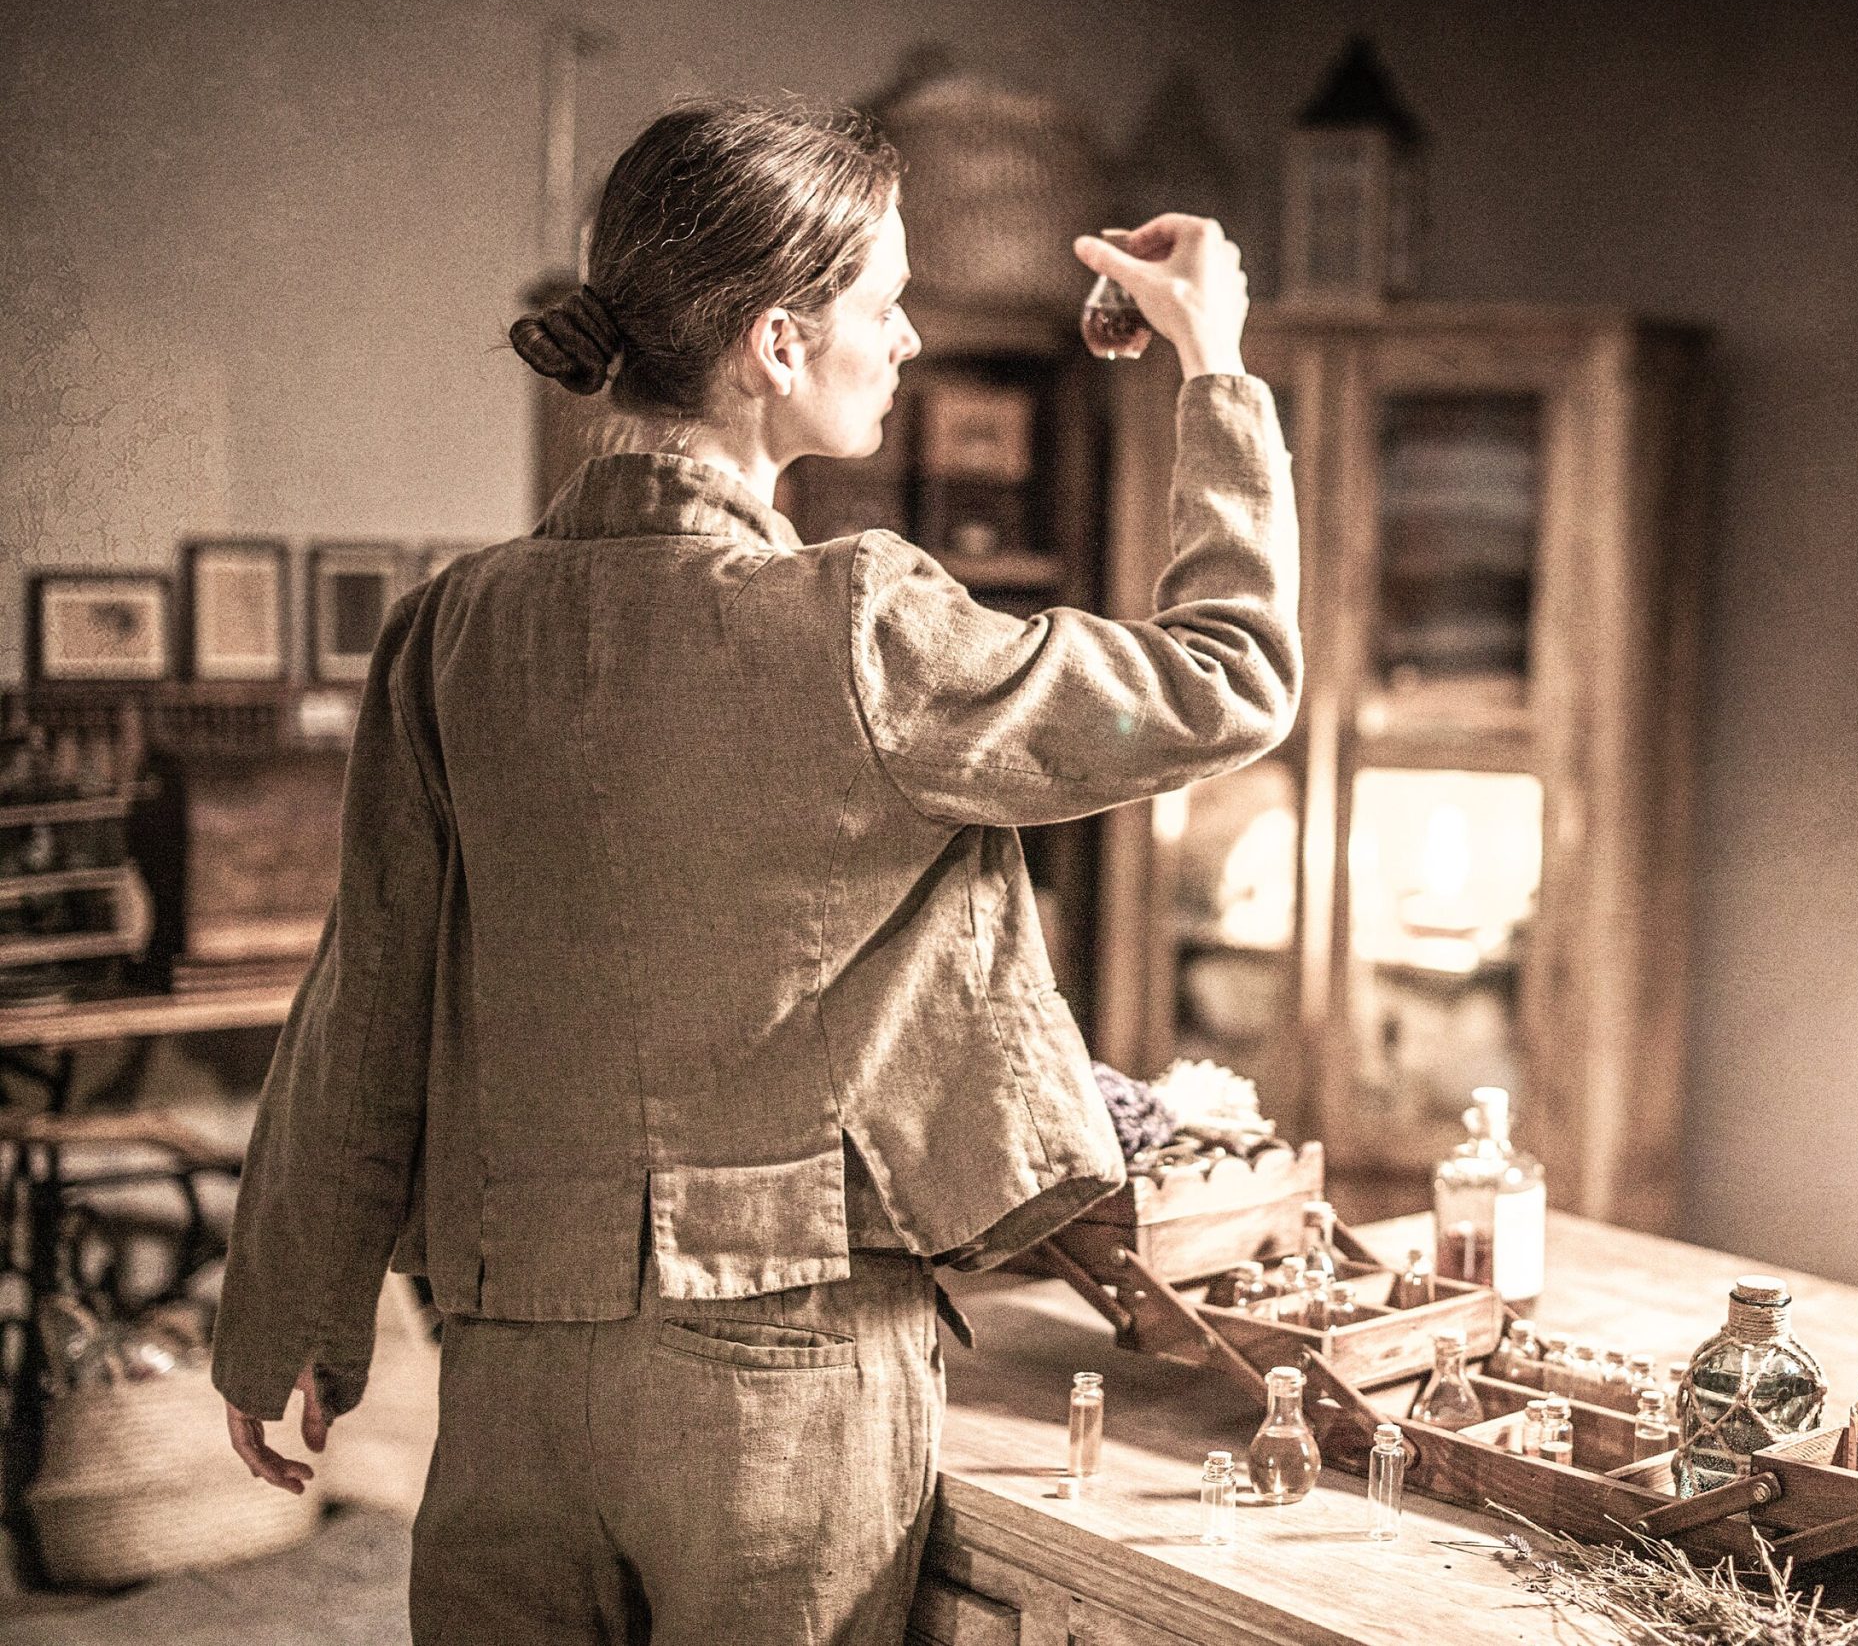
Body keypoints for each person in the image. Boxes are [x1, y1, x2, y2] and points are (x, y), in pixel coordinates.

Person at [210, 97, 1298, 1646]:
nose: (911, 338)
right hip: (784, 1391)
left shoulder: (451, 630)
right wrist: (1218, 365)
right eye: (884, 302)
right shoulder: (863, 624)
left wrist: (286, 1311)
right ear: (778, 343)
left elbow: (365, 995)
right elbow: (1229, 674)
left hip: (513, 1374)